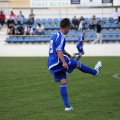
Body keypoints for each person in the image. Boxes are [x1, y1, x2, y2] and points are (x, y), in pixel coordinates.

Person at [47, 18, 102, 111]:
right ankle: (95, 72)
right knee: (78, 64)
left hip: (52, 63)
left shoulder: (54, 35)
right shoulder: (61, 36)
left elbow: (59, 49)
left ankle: (67, 107)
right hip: (59, 61)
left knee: (63, 82)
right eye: (69, 28)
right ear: (67, 27)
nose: (69, 30)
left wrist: (68, 54)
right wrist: (64, 62)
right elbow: (59, 50)